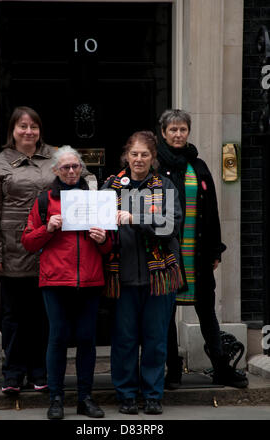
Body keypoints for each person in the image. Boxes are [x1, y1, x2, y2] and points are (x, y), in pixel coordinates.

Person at [157, 108, 248, 389]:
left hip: (198, 252)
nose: (178, 134)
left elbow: (212, 211)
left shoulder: (199, 166)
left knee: (206, 310)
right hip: (169, 252)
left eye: (183, 129)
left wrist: (216, 250)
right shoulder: (156, 167)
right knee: (167, 313)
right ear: (163, 132)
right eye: (172, 129)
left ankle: (220, 367)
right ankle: (173, 371)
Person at [21, 146, 112, 420]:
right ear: (56, 171)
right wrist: (46, 229)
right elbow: (27, 242)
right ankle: (56, 398)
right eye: (65, 168)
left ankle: (85, 398)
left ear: (81, 169)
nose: (71, 172)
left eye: (75, 167)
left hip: (90, 280)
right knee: (58, 339)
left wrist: (103, 240)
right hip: (55, 280)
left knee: (87, 340)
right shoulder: (44, 201)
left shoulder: (97, 200)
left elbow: (111, 246)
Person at [101, 131, 182, 415]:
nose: (138, 159)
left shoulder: (165, 186)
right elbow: (99, 226)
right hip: (121, 275)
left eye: (144, 155)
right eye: (134, 154)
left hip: (158, 277)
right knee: (123, 339)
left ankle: (152, 394)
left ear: (153, 158)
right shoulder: (110, 186)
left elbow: (170, 226)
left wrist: (136, 219)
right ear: (126, 155)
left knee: (155, 338)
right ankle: (125, 394)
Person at [0, 106, 57, 394]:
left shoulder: (56, 158)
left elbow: (82, 182)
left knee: (42, 314)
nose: (28, 131)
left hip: (49, 248)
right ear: (12, 131)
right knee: (13, 316)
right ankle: (13, 372)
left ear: (40, 130)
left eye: (33, 126)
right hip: (12, 249)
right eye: (22, 126)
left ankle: (40, 370)